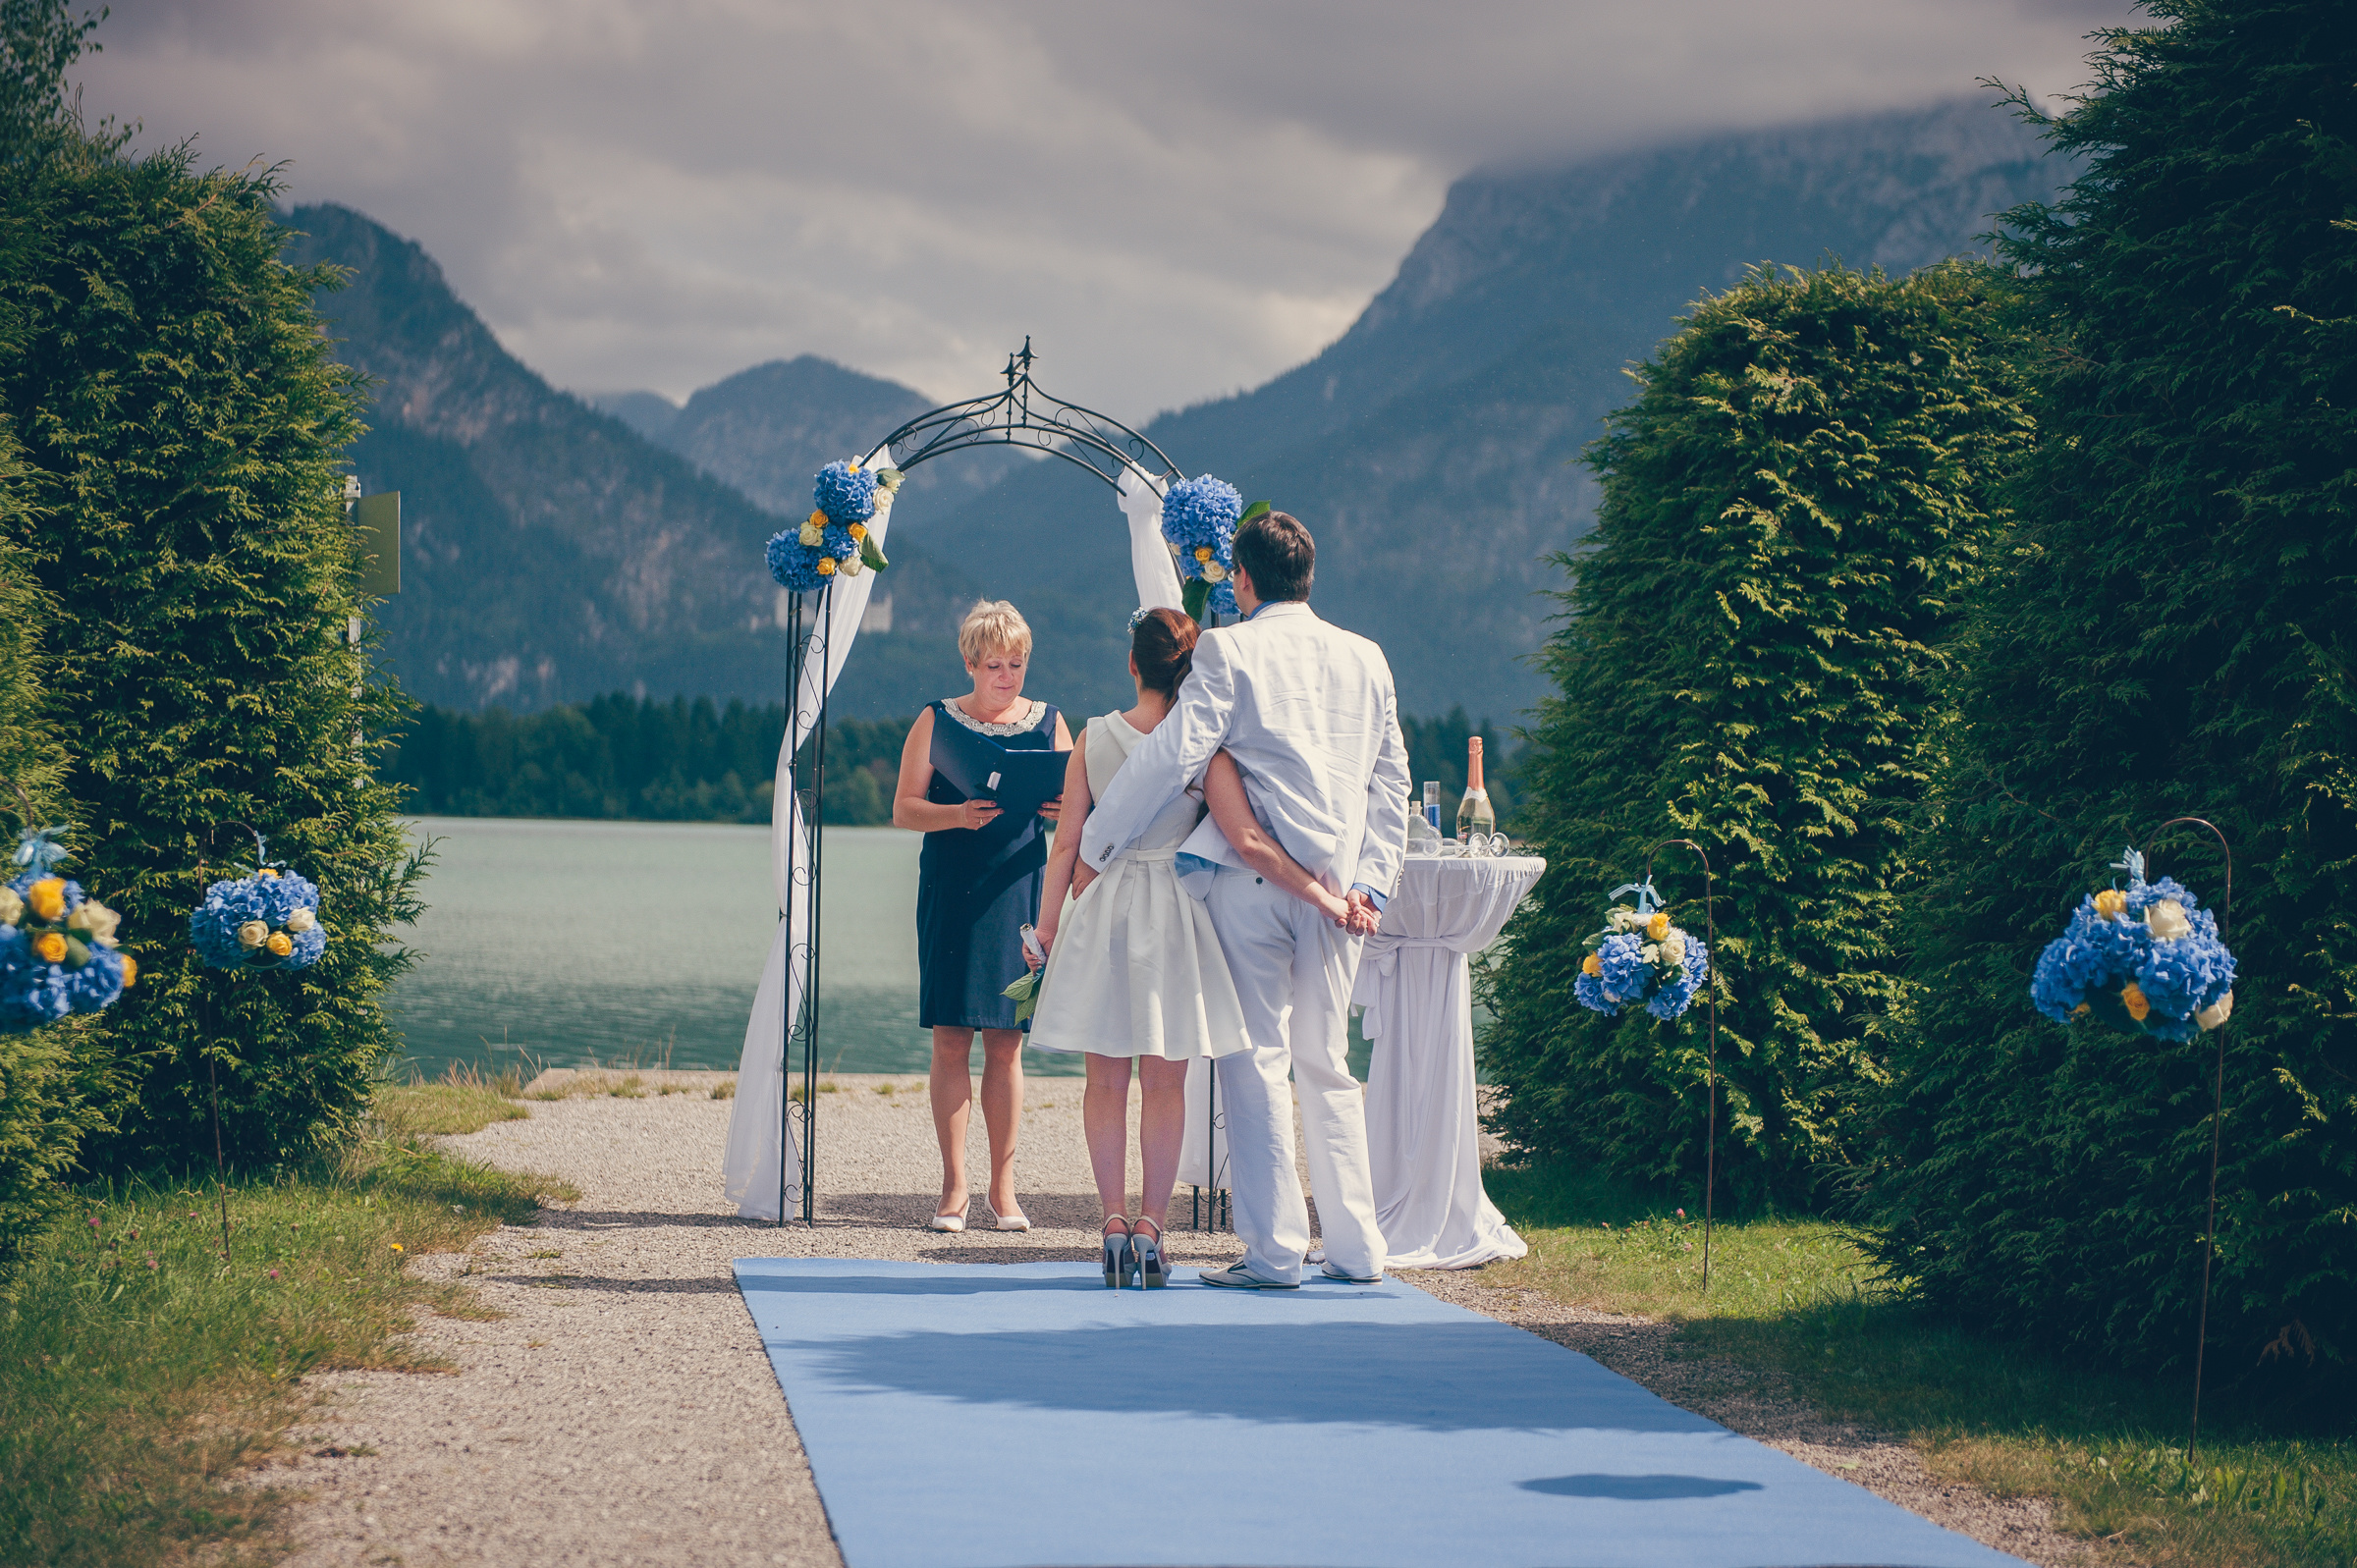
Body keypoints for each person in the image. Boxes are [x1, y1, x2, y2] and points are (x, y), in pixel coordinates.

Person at [1076, 509, 1409, 1289]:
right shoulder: (1369, 658)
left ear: (1246, 579)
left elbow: (1171, 756)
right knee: (1328, 1063)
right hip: (1339, 890)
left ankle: (1275, 1253)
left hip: (1252, 885)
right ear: (1310, 575)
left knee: (1257, 1061)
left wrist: (1097, 844)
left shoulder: (1228, 649)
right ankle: (1358, 1249)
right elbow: (1389, 784)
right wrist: (1369, 883)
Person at [1027, 608, 1250, 1289]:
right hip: (1172, 914)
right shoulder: (1202, 745)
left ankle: (1114, 1221)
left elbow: (1067, 843)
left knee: (1105, 1080)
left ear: (1133, 663)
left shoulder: (1093, 737)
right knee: (1166, 1081)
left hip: (1105, 910)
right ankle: (1154, 1226)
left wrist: (1045, 930)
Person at [892, 600, 1070, 1233]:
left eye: (1016, 664)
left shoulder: (1050, 723)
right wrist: (956, 814)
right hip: (953, 885)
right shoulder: (936, 721)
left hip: (1021, 886)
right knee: (950, 1038)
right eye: (994, 664)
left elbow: (1078, 808)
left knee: (1007, 1041)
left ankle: (1004, 1189)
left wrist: (1058, 809)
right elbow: (904, 809)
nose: (1007, 676)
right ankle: (953, 1188)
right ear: (969, 663)